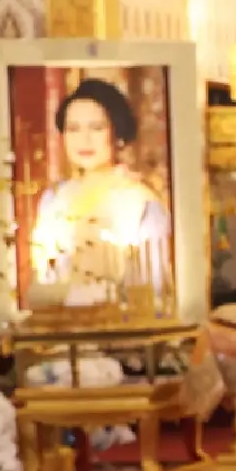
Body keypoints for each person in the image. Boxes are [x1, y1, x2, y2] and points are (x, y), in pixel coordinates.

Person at [27, 78, 173, 307]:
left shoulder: (140, 202)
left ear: (117, 132)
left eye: (96, 128)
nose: (84, 139)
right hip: (57, 327)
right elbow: (42, 280)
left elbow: (154, 287)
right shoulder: (53, 199)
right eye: (73, 129)